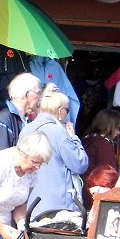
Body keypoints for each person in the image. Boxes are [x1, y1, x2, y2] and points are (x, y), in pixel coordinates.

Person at [23, 85, 88, 219]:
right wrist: (74, 138)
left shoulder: (26, 129)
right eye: (67, 110)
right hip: (58, 205)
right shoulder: (59, 132)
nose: (68, 114)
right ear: (60, 111)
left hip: (31, 203)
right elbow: (80, 163)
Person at [81, 108, 120, 207]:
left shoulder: (85, 140)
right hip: (97, 195)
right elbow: (108, 175)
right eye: (118, 128)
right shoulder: (104, 145)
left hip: (83, 191)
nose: (119, 132)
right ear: (109, 126)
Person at [0, 71, 41, 154]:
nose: (40, 97)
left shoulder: (26, 119)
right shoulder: (2, 122)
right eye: (38, 93)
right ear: (27, 95)